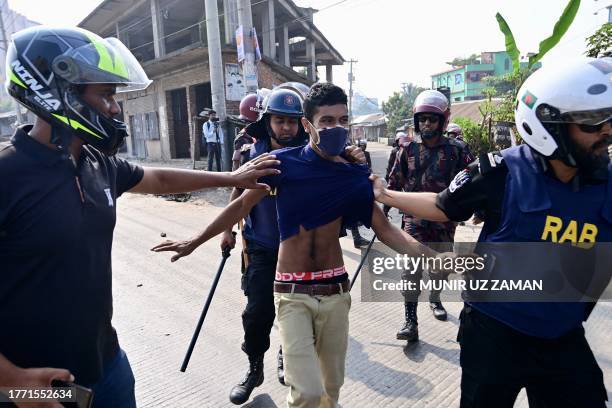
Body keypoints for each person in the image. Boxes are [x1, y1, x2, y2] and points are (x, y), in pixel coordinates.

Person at [0, 26, 278, 408]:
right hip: (35, 383)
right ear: (59, 93)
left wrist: (230, 177)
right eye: (106, 95)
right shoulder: (7, 176)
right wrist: (14, 383)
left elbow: (158, 177)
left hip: (107, 365)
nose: (115, 108)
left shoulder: (96, 163)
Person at [152, 83, 442, 408]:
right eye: (327, 121)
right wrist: (195, 241)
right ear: (309, 125)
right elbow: (241, 206)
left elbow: (386, 230)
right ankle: (255, 368)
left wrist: (434, 259)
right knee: (306, 393)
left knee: (330, 390)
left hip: (335, 292)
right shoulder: (280, 164)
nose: (336, 128)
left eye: (343, 120)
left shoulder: (354, 175)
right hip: (291, 293)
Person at [374, 57, 611, 407]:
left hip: (562, 337)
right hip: (493, 334)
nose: (606, 134)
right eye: (593, 124)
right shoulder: (501, 172)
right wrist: (386, 195)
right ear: (549, 122)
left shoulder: (606, 185)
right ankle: (415, 314)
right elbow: (443, 203)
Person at [387, 89, 474, 341]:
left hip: (444, 220)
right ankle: (410, 320)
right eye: (422, 119)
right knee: (410, 270)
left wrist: (477, 208)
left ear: (442, 121)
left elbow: (472, 182)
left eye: (432, 119)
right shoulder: (407, 150)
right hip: (413, 221)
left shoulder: (457, 150)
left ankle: (435, 299)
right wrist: (384, 206)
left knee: (440, 269)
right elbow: (394, 181)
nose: (427, 123)